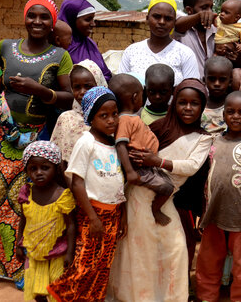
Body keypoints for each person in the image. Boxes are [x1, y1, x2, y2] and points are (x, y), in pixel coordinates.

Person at [0, 0, 74, 289]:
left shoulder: (59, 56)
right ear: (25, 18)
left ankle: (22, 267)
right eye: (33, 16)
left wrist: (41, 90)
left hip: (34, 141)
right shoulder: (4, 47)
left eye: (44, 17)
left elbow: (69, 97)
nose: (37, 22)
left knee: (24, 202)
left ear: (52, 22)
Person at [109, 79, 213, 302]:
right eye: (182, 102)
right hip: (137, 196)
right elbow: (126, 151)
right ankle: (136, 296)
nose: (187, 108)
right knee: (138, 251)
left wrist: (157, 161)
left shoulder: (204, 138)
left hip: (165, 200)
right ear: (173, 104)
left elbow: (192, 166)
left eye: (194, 103)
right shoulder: (157, 128)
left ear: (202, 107)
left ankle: (168, 297)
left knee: (175, 250)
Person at [48, 87, 126, 302]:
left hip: (114, 213)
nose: (111, 120)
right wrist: (92, 217)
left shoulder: (113, 144)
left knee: (103, 266)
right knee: (85, 264)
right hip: (93, 213)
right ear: (91, 117)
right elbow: (76, 181)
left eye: (114, 114)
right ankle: (59, 295)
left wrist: (123, 216)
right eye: (104, 116)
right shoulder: (86, 142)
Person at [195, 92, 241, 302]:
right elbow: (207, 180)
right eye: (231, 112)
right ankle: (206, 295)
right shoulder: (215, 142)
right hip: (213, 214)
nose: (236, 116)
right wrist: (203, 210)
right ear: (224, 114)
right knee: (208, 259)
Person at [15, 141, 76, 302]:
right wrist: (19, 243)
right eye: (33, 169)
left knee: (56, 291)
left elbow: (70, 225)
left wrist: (70, 252)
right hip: (34, 253)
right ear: (27, 171)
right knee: (37, 291)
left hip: (57, 253)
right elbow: (23, 219)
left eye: (45, 167)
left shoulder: (63, 195)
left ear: (56, 169)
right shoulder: (26, 192)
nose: (38, 173)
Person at [109, 74, 174, 226]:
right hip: (139, 168)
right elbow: (120, 145)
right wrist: (130, 171)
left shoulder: (132, 118)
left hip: (148, 164)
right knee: (167, 187)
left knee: (168, 183)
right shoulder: (125, 119)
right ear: (135, 97)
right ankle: (155, 210)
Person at [118, 0, 201, 86]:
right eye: (156, 17)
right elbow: (120, 85)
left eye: (168, 18)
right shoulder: (132, 51)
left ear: (174, 23)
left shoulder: (185, 53)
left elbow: (192, 90)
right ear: (147, 19)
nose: (162, 22)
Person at [50, 60, 107, 169]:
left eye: (88, 86)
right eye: (77, 87)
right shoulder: (66, 118)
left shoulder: (109, 118)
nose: (82, 92)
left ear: (99, 84)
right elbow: (57, 157)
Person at [57, 0, 112, 80]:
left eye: (93, 19)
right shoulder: (60, 45)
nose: (93, 24)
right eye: (88, 19)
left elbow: (105, 73)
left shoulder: (90, 44)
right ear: (72, 19)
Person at [173, 0, 217, 76]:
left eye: (211, 7)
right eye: (204, 8)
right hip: (188, 87)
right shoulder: (180, 30)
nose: (210, 12)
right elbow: (176, 25)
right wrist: (199, 16)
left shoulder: (216, 30)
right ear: (189, 10)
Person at [202, 56, 234, 134]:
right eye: (212, 79)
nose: (217, 84)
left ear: (230, 81)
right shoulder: (199, 106)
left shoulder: (234, 106)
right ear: (204, 80)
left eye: (222, 80)